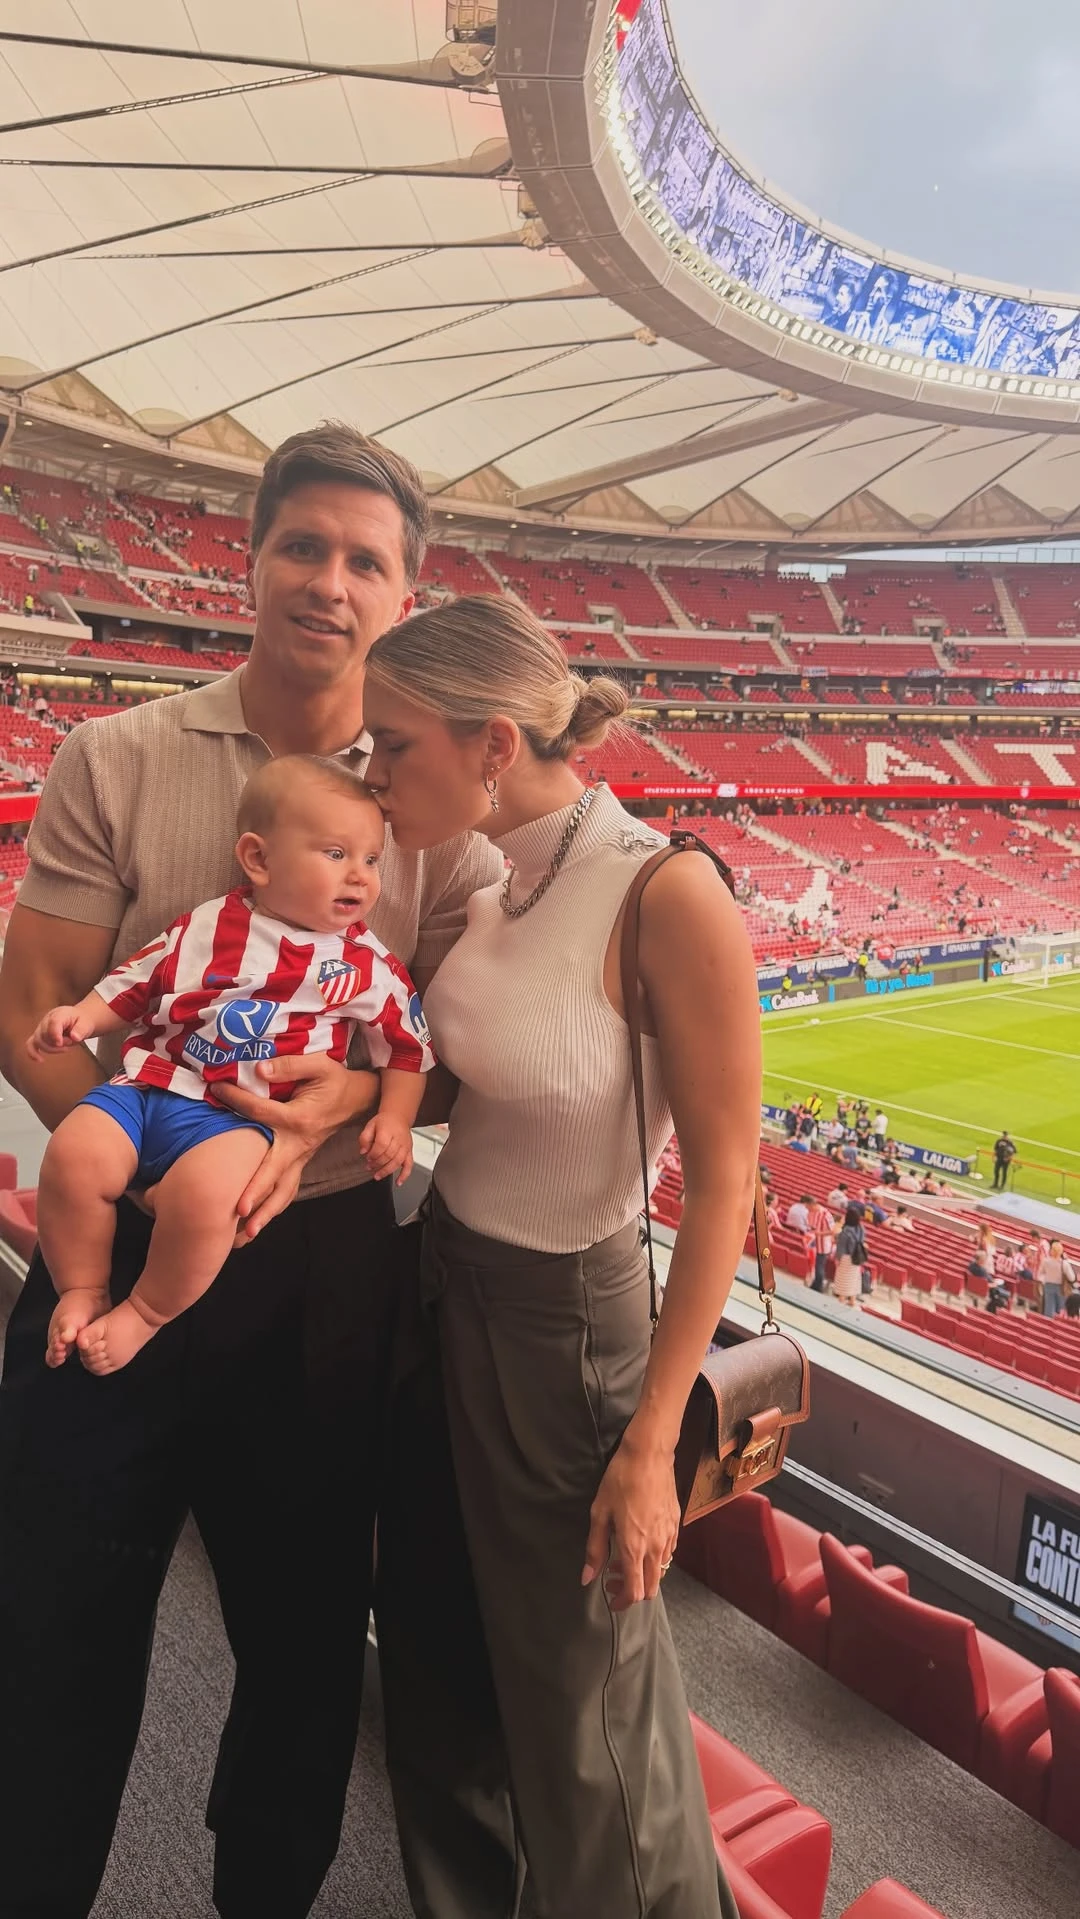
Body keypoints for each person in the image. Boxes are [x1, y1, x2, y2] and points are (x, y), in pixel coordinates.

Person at [0, 424, 502, 1919]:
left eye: (367, 561)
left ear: (404, 597)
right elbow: (36, 1004)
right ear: (252, 552)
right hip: (128, 1224)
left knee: (296, 1647)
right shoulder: (121, 753)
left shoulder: (434, 813)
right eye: (306, 545)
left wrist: (346, 1089)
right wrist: (172, 1153)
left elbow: (466, 1060)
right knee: (52, 1621)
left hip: (329, 1273)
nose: (330, 582)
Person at [363, 594, 758, 1917]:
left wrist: (651, 1446)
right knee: (435, 1668)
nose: (374, 774)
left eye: (392, 746)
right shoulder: (494, 875)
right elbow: (461, 1080)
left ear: (488, 743)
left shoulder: (664, 886)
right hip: (442, 1289)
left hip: (562, 1335)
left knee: (588, 1731)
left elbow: (725, 1183)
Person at [28, 759, 434, 1375]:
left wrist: (397, 1117)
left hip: (236, 1123)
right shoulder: (206, 923)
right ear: (258, 859)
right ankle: (83, 1287)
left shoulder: (368, 964)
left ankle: (143, 1313)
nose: (360, 875)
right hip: (147, 1084)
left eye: (372, 860)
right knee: (72, 1154)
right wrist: (82, 1016)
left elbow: (407, 1047)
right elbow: (140, 980)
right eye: (335, 853)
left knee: (213, 1199)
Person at [833, 1205, 869, 1306]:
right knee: (854, 1279)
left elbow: (841, 1248)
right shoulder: (861, 1228)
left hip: (846, 1257)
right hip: (857, 1256)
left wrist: (837, 1258)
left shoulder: (845, 1231)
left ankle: (841, 1300)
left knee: (843, 1280)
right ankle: (852, 1300)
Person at [1037, 1240, 1075, 1318]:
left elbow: (1040, 1274)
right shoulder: (1064, 1264)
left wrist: (1045, 1280)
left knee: (1049, 1309)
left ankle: (1047, 1325)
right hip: (1061, 1288)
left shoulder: (1046, 1261)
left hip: (1048, 1286)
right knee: (1061, 1309)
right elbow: (1072, 1278)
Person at [807, 1195, 836, 1292]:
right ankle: (816, 1284)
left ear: (813, 1205)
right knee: (816, 1265)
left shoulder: (825, 1214)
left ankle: (819, 1287)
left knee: (820, 1266)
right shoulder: (811, 1213)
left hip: (823, 1245)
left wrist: (819, 1233)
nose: (808, 1209)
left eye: (808, 1207)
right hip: (814, 1243)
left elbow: (832, 1231)